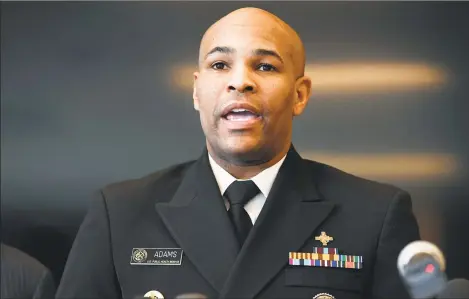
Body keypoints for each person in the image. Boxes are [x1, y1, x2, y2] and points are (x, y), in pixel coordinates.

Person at [56, 7, 420, 299]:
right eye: (219, 65)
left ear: (300, 94)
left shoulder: (375, 215)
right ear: (197, 92)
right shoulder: (119, 213)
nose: (240, 81)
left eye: (265, 66)